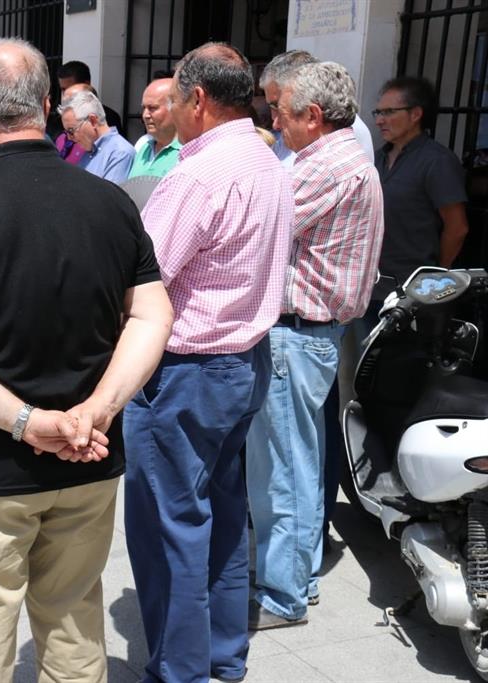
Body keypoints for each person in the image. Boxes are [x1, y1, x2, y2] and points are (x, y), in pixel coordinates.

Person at [0, 38, 173, 682]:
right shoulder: (110, 202)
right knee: (75, 617)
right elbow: (153, 313)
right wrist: (96, 411)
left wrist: (27, 422)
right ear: (49, 107)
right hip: (90, 452)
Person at [123, 42, 293, 683]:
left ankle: (181, 669)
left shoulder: (199, 174)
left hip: (188, 372)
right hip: (243, 361)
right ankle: (222, 658)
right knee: (222, 518)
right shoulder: (268, 159)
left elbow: (144, 275)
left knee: (172, 529)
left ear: (196, 100)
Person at [245, 61, 385, 631]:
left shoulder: (325, 163)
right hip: (305, 335)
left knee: (286, 469)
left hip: (297, 333)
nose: (273, 118)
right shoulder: (337, 157)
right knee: (294, 463)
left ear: (314, 116)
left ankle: (283, 593)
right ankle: (291, 579)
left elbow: (255, 226)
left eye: (282, 111)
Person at [371, 75, 469, 320]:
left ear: (415, 114)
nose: (380, 120)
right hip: (370, 289)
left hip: (412, 295)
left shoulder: (437, 161)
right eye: (378, 112)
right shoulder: (377, 157)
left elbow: (457, 228)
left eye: (389, 112)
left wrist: (434, 277)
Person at [261, 50, 376, 165]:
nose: (274, 122)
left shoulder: (342, 129)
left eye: (278, 105)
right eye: (271, 107)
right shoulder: (288, 132)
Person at [59, 90, 135, 183]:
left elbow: (108, 196)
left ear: (93, 121)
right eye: (66, 132)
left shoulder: (120, 153)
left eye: (71, 131)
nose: (69, 138)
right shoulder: (89, 151)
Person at [129, 77, 181, 179]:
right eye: (144, 108)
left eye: (152, 108)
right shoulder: (143, 147)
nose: (145, 115)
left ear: (174, 108)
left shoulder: (186, 152)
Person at [57, 60, 124, 134]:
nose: (65, 94)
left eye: (70, 88)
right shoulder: (59, 120)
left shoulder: (109, 118)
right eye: (63, 89)